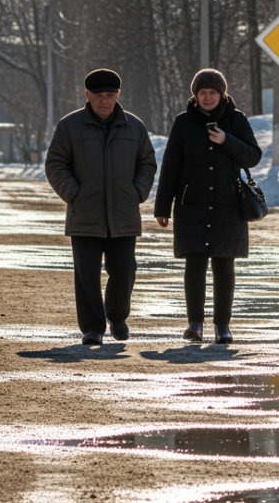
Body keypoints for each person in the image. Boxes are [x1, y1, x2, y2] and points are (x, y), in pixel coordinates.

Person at [45, 69, 158, 346]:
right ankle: (92, 328)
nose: (104, 101)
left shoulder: (134, 127)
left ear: (118, 95)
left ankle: (117, 316)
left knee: (125, 271)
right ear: (87, 95)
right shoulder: (69, 126)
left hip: (124, 214)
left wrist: (136, 192)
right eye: (98, 96)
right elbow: (55, 164)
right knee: (86, 277)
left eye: (110, 95)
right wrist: (75, 194)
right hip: (85, 214)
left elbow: (147, 162)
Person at [154, 69, 261, 344]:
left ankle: (222, 326)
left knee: (224, 266)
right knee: (195, 264)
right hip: (192, 205)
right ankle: (195, 324)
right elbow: (171, 167)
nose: (207, 97)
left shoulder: (236, 120)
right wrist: (162, 207)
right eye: (202, 92)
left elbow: (253, 156)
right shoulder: (183, 123)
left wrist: (227, 140)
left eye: (213, 92)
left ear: (222, 93)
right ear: (195, 95)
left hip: (228, 205)